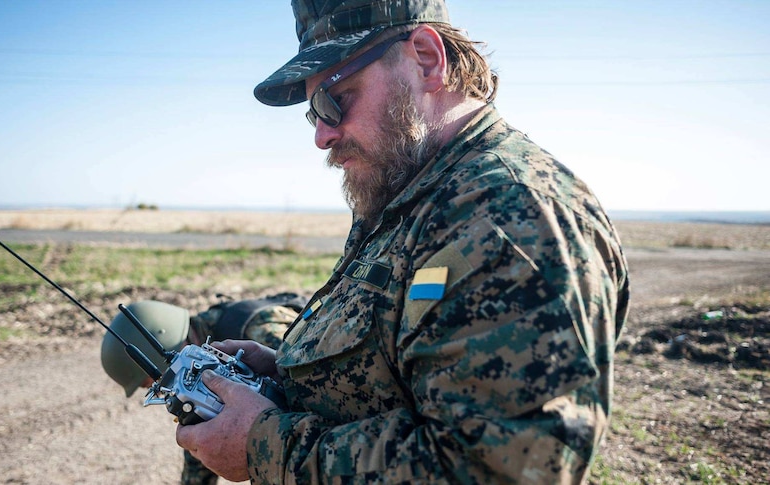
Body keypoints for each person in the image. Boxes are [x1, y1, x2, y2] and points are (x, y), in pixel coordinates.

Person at [175, 1, 630, 483]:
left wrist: (266, 447)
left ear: (427, 59)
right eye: (314, 115)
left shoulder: (508, 215)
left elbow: (497, 470)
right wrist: (287, 375)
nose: (322, 136)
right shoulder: (412, 190)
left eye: (333, 100)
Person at [101, 296, 303, 485]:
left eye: (160, 382)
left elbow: (313, 399)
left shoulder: (260, 332)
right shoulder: (195, 370)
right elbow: (206, 439)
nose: (164, 393)